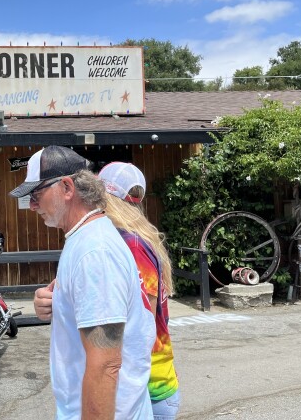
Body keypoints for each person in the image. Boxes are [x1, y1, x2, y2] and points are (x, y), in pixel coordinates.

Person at [11, 146, 155, 419]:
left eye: (36, 193)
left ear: (67, 187)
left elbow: (106, 364)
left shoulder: (94, 252)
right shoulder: (89, 239)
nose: (31, 205)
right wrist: (56, 300)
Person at [98, 162, 180, 419]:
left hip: (147, 388)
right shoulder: (134, 238)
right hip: (151, 383)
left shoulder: (131, 244)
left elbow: (141, 322)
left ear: (107, 198)